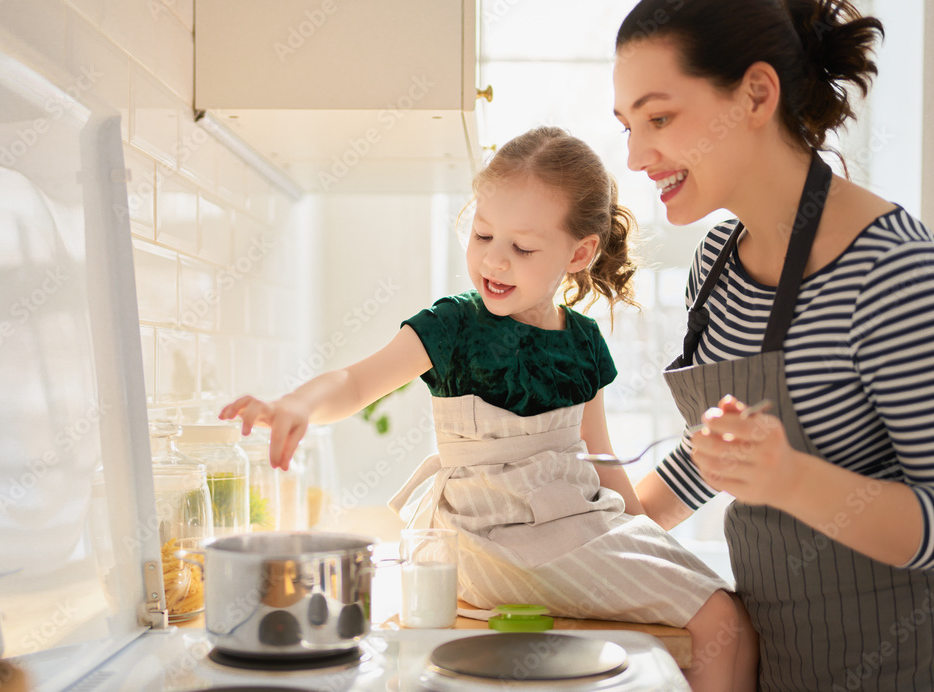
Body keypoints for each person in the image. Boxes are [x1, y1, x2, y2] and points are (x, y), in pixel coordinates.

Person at [220, 126, 755, 691]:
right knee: (721, 620)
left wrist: (648, 541)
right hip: (490, 542)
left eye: (522, 248)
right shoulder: (453, 325)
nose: (494, 261)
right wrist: (295, 405)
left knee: (731, 617)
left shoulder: (584, 341)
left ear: (579, 253)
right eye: (482, 235)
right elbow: (355, 382)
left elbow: (599, 458)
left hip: (573, 526)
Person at [612, 1, 934, 690]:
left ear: (757, 94)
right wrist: (602, 529)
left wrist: (791, 479)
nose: (637, 156)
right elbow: (725, 460)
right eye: (629, 128)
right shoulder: (717, 263)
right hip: (782, 664)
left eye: (659, 118)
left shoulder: (893, 273)